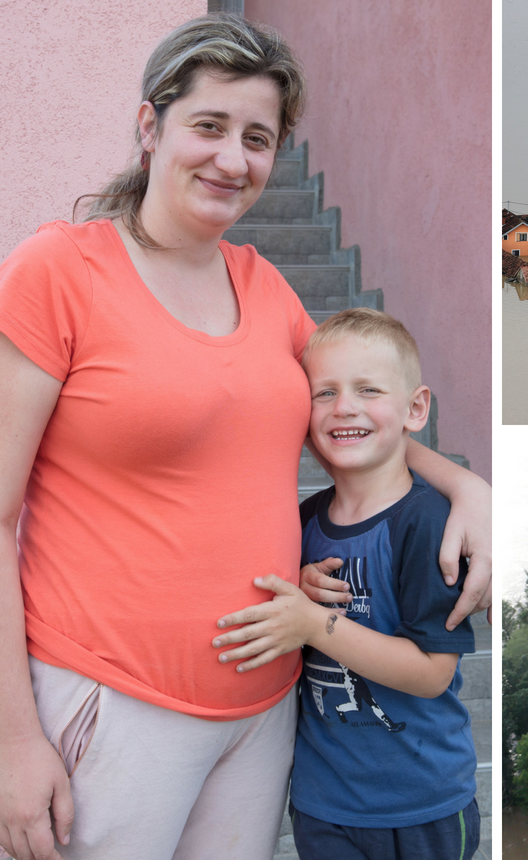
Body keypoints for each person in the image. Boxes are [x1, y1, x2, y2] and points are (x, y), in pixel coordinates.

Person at [0, 15, 490, 860]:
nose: (234, 159)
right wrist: (12, 741)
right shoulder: (60, 272)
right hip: (115, 703)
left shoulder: (265, 287)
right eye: (210, 126)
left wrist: (465, 487)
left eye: (258, 138)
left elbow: (355, 421)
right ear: (151, 127)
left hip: (263, 718)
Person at [212, 308, 480, 860]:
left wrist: (315, 623)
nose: (345, 408)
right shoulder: (302, 523)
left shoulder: (427, 523)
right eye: (324, 393)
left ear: (415, 408)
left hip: (422, 801)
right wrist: (299, 590)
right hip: (325, 802)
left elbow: (432, 674)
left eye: (368, 389)